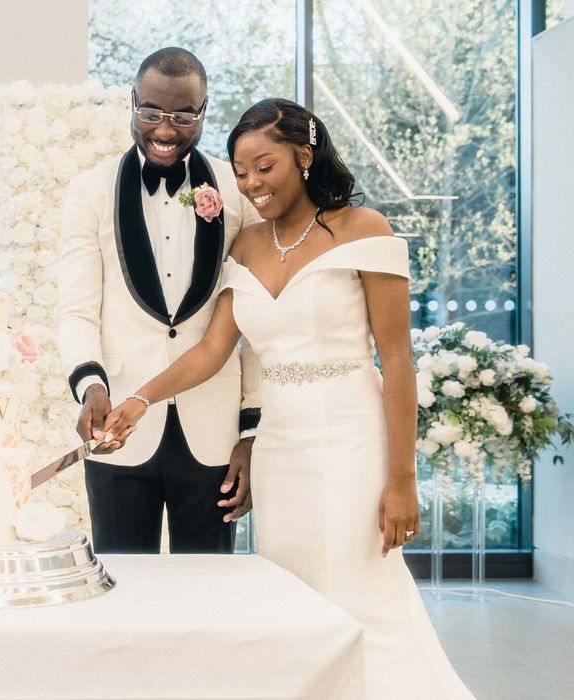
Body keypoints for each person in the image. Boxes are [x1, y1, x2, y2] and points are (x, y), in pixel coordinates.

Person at [103, 98, 475, 698]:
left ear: (304, 155)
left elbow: (398, 360)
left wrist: (405, 479)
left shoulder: (364, 229)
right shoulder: (244, 248)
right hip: (280, 450)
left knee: (362, 596)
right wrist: (140, 400)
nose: (251, 183)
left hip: (353, 441)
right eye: (241, 171)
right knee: (294, 599)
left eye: (265, 166)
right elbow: (211, 352)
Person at [56, 47, 262, 555]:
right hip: (117, 428)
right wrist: (90, 386)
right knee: (123, 588)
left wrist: (251, 431)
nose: (165, 130)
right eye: (150, 112)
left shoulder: (237, 192)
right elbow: (77, 309)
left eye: (183, 115)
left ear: (204, 111)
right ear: (132, 103)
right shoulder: (89, 192)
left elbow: (258, 321)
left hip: (213, 430)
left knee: (209, 591)